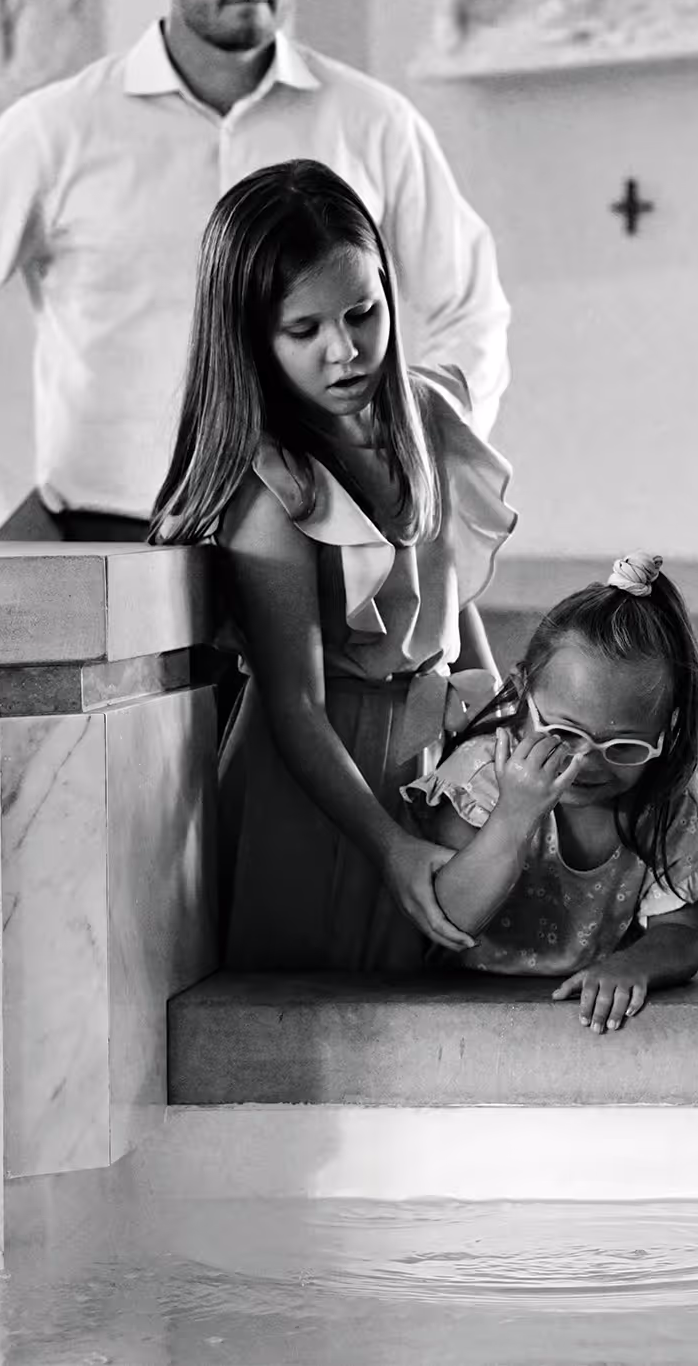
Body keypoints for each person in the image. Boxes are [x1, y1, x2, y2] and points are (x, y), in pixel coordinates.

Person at [0, 0, 511, 545]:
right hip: (111, 539)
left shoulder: (373, 123)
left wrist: (419, 451)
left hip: (335, 540)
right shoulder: (56, 130)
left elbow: (471, 308)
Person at [148, 160, 516, 972]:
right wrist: (387, 845)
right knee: (322, 1008)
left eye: (363, 312)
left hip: (431, 748)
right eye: (304, 331)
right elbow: (297, 706)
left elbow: (447, 597)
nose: (345, 351)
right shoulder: (273, 487)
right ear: (251, 337)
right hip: (320, 787)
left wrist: (499, 725)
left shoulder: (427, 415)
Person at [406, 553, 698, 1031]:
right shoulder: (480, 775)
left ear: (664, 734)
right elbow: (449, 920)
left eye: (624, 746)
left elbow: (682, 934)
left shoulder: (665, 800)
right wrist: (513, 816)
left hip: (580, 1028)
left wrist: (633, 965)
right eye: (563, 732)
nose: (586, 761)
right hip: (454, 1018)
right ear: (523, 693)